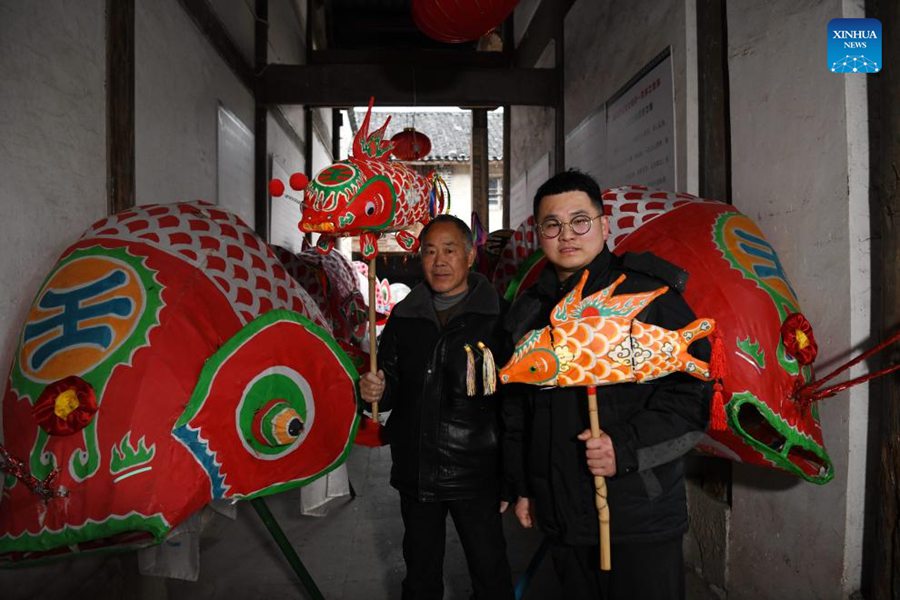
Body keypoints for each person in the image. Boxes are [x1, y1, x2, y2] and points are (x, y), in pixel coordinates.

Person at [502, 170, 711, 600]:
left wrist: (625, 448)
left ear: (603, 225)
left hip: (638, 518)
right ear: (539, 234)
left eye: (580, 221)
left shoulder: (647, 298)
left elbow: (692, 402)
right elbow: (516, 415)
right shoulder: (527, 314)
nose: (567, 235)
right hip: (562, 517)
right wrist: (523, 487)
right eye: (552, 225)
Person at [359, 214, 514, 600]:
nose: (439, 261)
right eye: (430, 252)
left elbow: (515, 405)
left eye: (449, 250)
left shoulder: (500, 318)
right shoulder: (405, 315)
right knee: (420, 575)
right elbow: (392, 389)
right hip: (416, 469)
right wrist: (375, 389)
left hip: (476, 473)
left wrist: (513, 476)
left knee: (490, 572)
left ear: (470, 255)